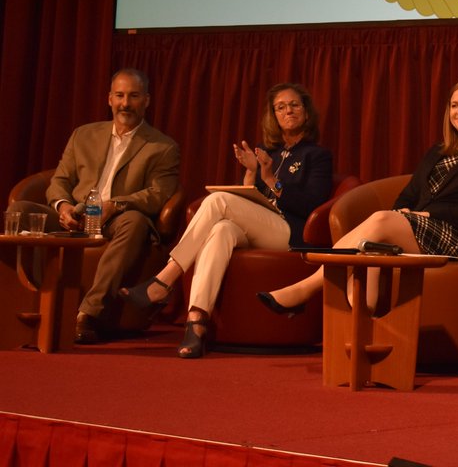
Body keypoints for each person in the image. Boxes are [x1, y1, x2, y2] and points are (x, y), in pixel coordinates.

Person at [258, 78, 458, 315]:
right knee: (369, 254)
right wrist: (404, 211)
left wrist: (429, 214)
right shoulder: (437, 153)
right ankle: (364, 325)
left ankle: (307, 288)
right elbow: (408, 195)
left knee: (381, 221)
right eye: (454, 105)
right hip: (421, 229)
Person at [121, 82, 333, 358]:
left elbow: (312, 205)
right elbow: (251, 200)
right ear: (274, 116)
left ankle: (164, 280)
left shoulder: (317, 156)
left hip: (291, 232)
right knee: (222, 229)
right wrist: (250, 174)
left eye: (294, 105)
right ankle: (196, 322)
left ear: (306, 112)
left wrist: (271, 179)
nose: (288, 110)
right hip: (262, 225)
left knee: (217, 201)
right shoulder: (268, 152)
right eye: (280, 107)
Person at [8, 68, 180, 344]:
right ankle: (28, 303)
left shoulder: (162, 147)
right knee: (20, 211)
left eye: (133, 96)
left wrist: (115, 204)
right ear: (109, 99)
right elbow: (60, 179)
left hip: (117, 219)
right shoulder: (83, 135)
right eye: (120, 96)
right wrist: (63, 206)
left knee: (135, 221)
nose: (125, 103)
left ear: (146, 100)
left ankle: (87, 313)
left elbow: (158, 194)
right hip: (75, 214)